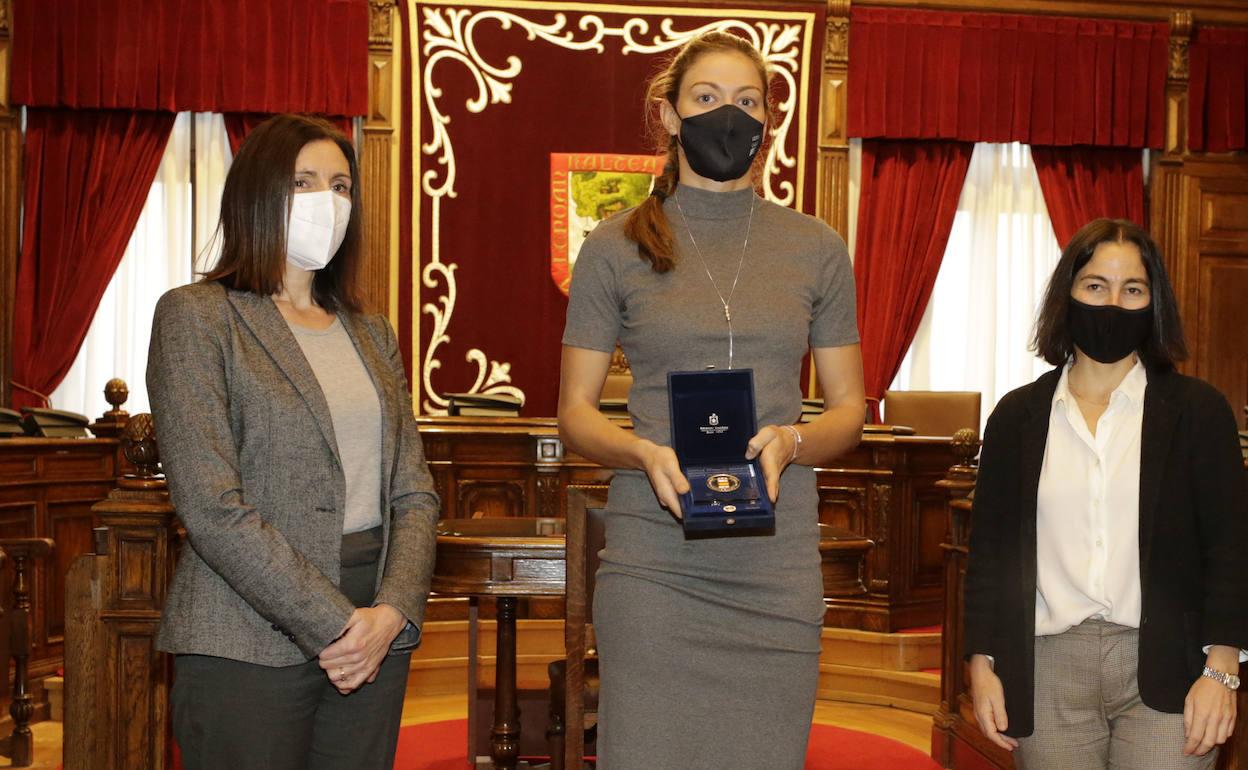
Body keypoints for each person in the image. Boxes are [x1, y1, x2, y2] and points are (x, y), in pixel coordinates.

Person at [557, 32, 865, 769]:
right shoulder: (614, 244)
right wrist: (639, 450)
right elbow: (574, 413)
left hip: (775, 561)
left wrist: (794, 440)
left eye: (746, 101)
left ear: (768, 121)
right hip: (655, 561)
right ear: (667, 115)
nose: (728, 114)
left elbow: (850, 409)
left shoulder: (817, 246)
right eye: (706, 98)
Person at [146, 114, 440, 770]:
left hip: (376, 625)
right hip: (247, 630)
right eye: (303, 183)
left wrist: (391, 611)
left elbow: (415, 493)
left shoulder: (371, 332)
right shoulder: (198, 316)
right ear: (256, 192)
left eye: (340, 186)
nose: (327, 203)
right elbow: (212, 508)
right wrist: (335, 623)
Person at [964, 218, 1247, 769]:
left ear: (1153, 302)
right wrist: (981, 662)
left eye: (1132, 289)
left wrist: (1223, 668)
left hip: (1170, 666)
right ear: (1067, 293)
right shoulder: (1017, 417)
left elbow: (1231, 549)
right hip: (1048, 666)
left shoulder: (1198, 412)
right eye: (1096, 285)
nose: (1113, 303)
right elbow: (989, 556)